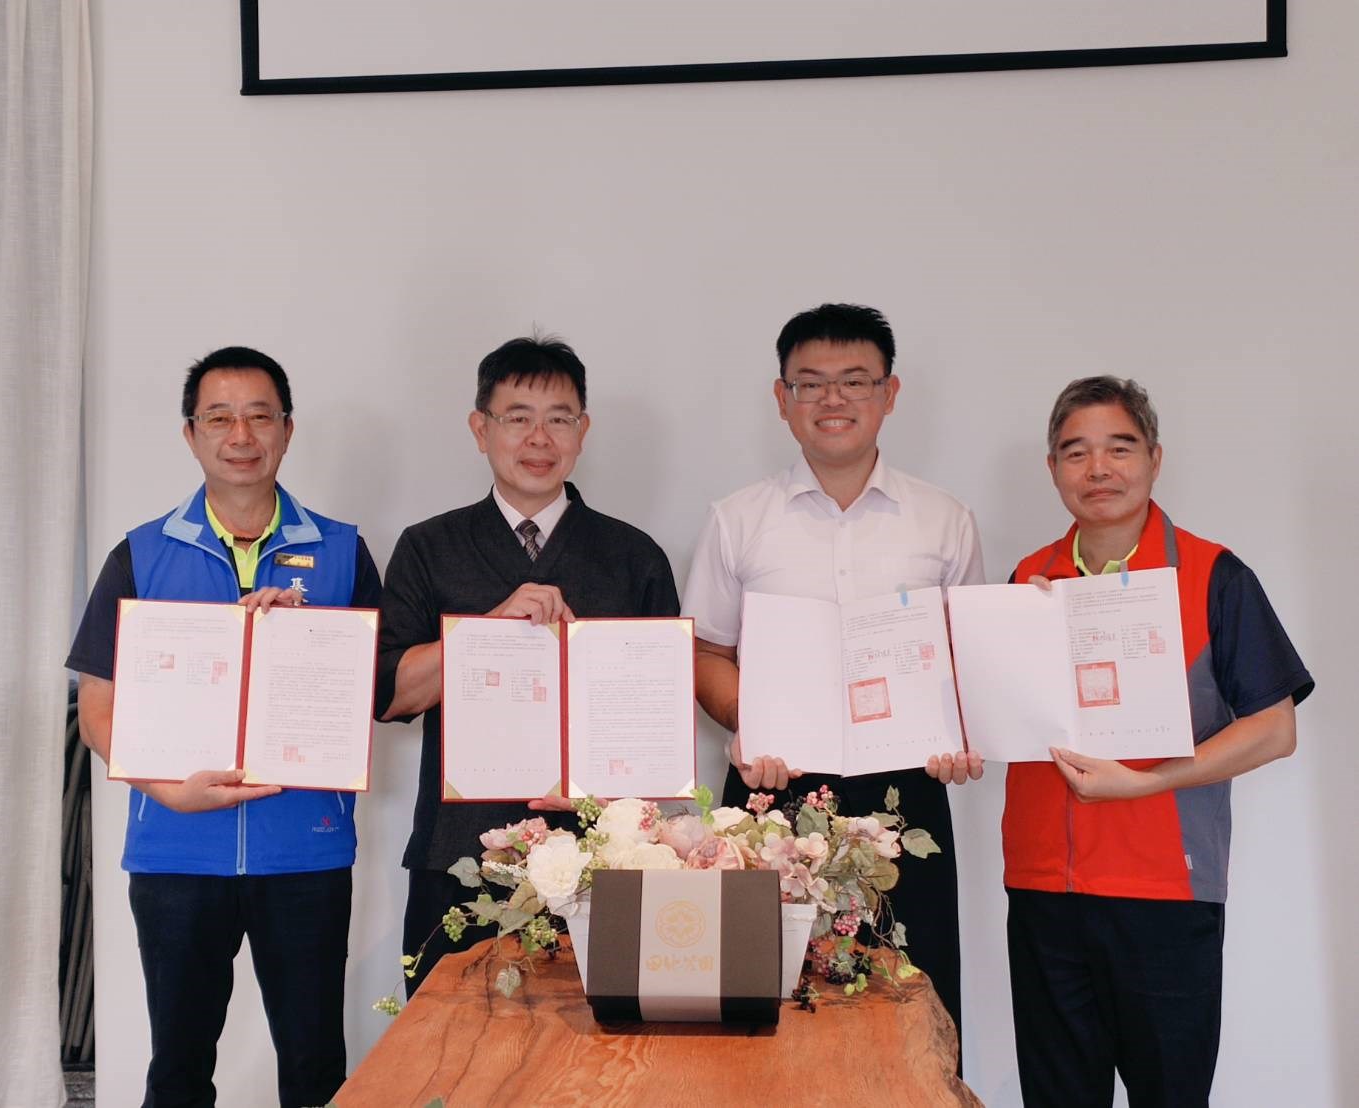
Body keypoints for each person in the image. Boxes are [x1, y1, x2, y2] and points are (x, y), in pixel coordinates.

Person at [67, 347, 382, 1108]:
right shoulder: (140, 554)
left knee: (313, 1068)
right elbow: (97, 712)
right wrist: (167, 791)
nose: (240, 433)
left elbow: (376, 693)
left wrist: (310, 644)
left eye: (258, 415)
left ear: (287, 430)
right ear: (191, 435)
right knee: (176, 1070)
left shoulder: (341, 551)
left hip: (302, 853)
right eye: (219, 416)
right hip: (175, 852)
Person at [1003, 376, 1312, 1108]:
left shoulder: (1212, 575)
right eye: (1074, 453)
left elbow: (1274, 728)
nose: (1097, 469)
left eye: (1118, 447)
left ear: (1154, 458)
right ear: (1051, 469)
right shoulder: (1024, 581)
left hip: (1164, 891)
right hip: (1043, 889)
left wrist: (1145, 782)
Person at [683, 302, 985, 1042]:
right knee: (761, 1008)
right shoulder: (738, 518)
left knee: (914, 1007)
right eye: (810, 383)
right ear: (780, 398)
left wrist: (959, 732)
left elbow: (970, 658)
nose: (833, 399)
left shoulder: (943, 520)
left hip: (905, 793)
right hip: (768, 793)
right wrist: (747, 726)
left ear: (890, 393)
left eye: (855, 380)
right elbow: (704, 652)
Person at [376, 334, 680, 994]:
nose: (538, 437)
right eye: (517, 417)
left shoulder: (634, 558)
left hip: (603, 859)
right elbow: (391, 695)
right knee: (445, 1059)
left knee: (596, 1067)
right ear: (479, 428)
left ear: (583, 430)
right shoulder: (429, 547)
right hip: (457, 851)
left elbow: (657, 728)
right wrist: (487, 632)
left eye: (559, 418)